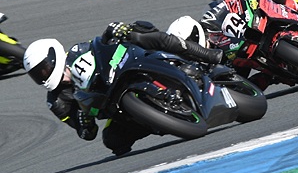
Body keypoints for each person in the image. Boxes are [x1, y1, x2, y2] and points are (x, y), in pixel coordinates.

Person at [24, 20, 223, 157]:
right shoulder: (57, 101)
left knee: (141, 33)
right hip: (113, 104)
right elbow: (87, 134)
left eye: (43, 69)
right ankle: (162, 120)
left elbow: (101, 45)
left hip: (124, 68)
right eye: (37, 75)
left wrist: (116, 31)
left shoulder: (78, 51)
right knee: (113, 141)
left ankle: (207, 56)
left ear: (53, 56)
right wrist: (84, 123)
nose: (43, 75)